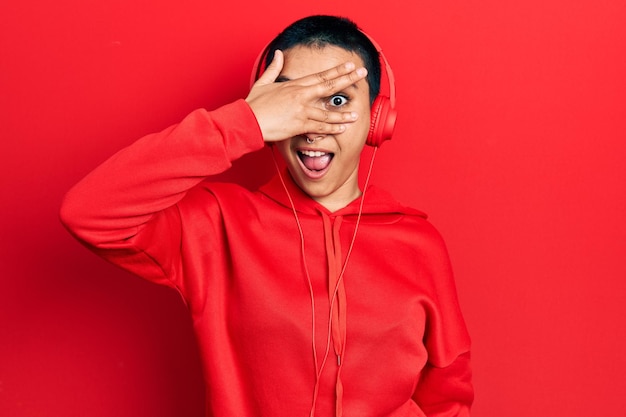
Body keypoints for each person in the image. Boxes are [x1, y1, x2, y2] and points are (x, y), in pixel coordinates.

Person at [60, 14, 473, 417]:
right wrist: (245, 122)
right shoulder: (217, 224)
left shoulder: (419, 242)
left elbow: (448, 398)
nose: (313, 126)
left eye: (337, 100)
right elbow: (89, 212)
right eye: (294, 101)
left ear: (376, 120)